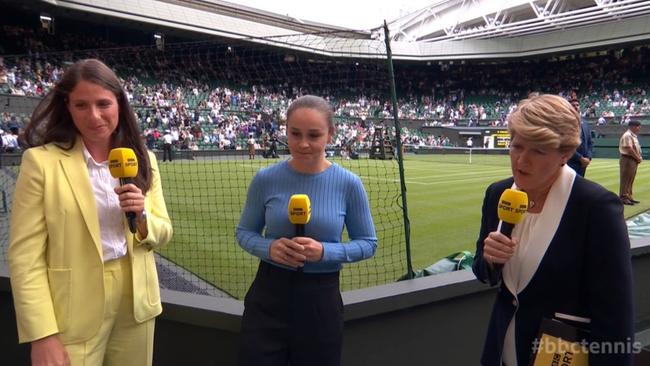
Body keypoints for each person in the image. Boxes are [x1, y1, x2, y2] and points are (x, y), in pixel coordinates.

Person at [8, 59, 173, 366]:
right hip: (72, 309)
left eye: (103, 103)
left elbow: (163, 231)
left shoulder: (143, 159)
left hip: (136, 303)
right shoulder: (40, 163)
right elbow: (25, 257)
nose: (94, 115)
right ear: (67, 107)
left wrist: (143, 218)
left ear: (120, 105)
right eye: (81, 105)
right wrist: (42, 335)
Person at [472, 94, 634, 365]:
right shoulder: (498, 194)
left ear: (566, 154)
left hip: (564, 357)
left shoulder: (595, 207)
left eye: (538, 150)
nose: (522, 160)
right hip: (500, 352)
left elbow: (615, 316)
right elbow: (485, 274)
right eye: (517, 146)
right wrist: (489, 259)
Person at [236, 95, 377, 366]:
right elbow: (244, 233)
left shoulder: (349, 183)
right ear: (285, 131)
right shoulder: (265, 179)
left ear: (330, 134)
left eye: (314, 135)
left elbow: (368, 243)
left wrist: (324, 252)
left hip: (320, 299)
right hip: (268, 295)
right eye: (295, 133)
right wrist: (270, 247)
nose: (303, 144)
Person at [567, 98, 593, 177]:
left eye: (577, 105)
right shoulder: (565, 122)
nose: (576, 107)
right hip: (570, 162)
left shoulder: (585, 123)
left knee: (578, 187)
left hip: (583, 164)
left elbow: (590, 142)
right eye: (573, 105)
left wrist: (588, 158)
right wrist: (580, 158)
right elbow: (567, 144)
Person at [619, 120, 642, 205]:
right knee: (626, 178)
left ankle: (628, 196)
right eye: (638, 126)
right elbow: (629, 148)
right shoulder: (627, 135)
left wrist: (638, 158)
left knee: (630, 178)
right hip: (627, 159)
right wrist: (638, 157)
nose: (639, 128)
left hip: (632, 159)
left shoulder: (633, 136)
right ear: (632, 126)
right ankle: (623, 197)